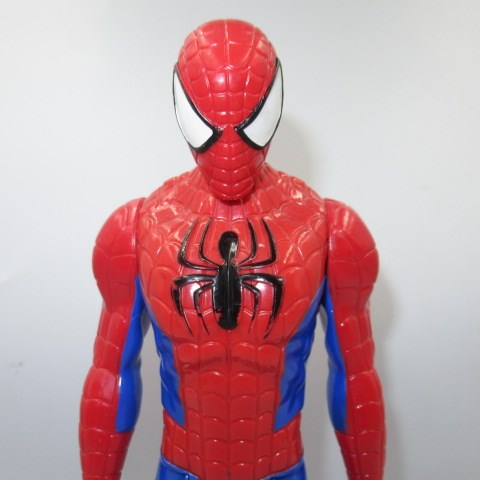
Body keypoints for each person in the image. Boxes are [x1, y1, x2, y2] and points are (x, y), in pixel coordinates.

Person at [79, 19, 386, 480]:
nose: (228, 147)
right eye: (209, 125)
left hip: (277, 466)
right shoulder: (136, 229)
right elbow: (111, 377)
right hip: (182, 465)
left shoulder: (330, 230)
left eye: (247, 125)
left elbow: (356, 380)